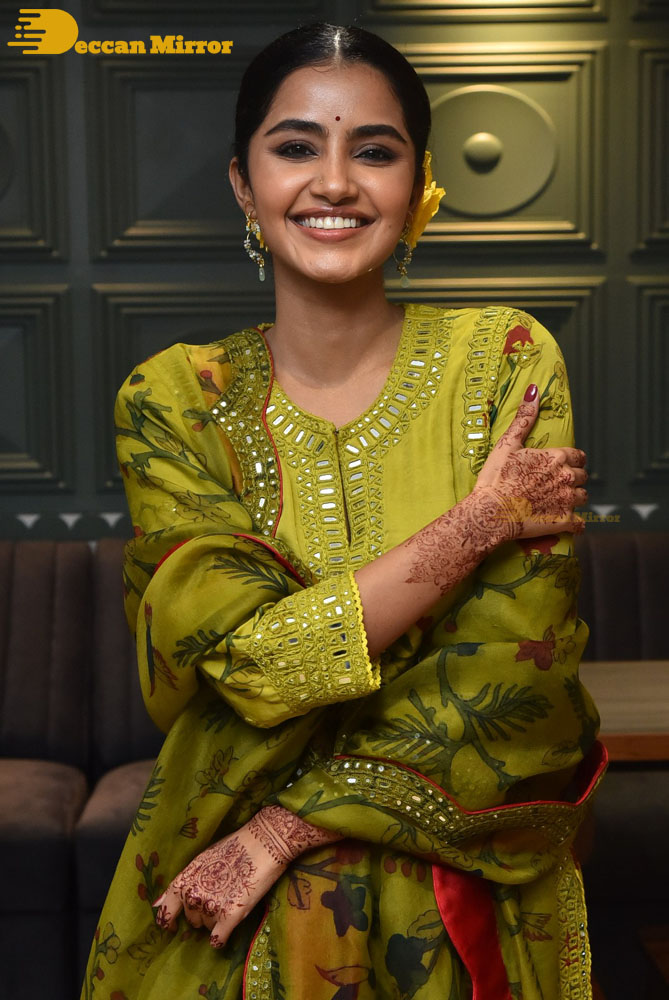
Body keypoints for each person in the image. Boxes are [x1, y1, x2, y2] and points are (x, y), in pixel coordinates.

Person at [81, 21, 606, 1000]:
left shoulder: (505, 361)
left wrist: (286, 830)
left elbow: (518, 674)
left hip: (454, 894)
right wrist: (476, 524)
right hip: (218, 890)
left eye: (374, 151)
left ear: (419, 182)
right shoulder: (175, 400)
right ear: (244, 184)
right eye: (295, 147)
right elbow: (243, 665)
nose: (334, 183)